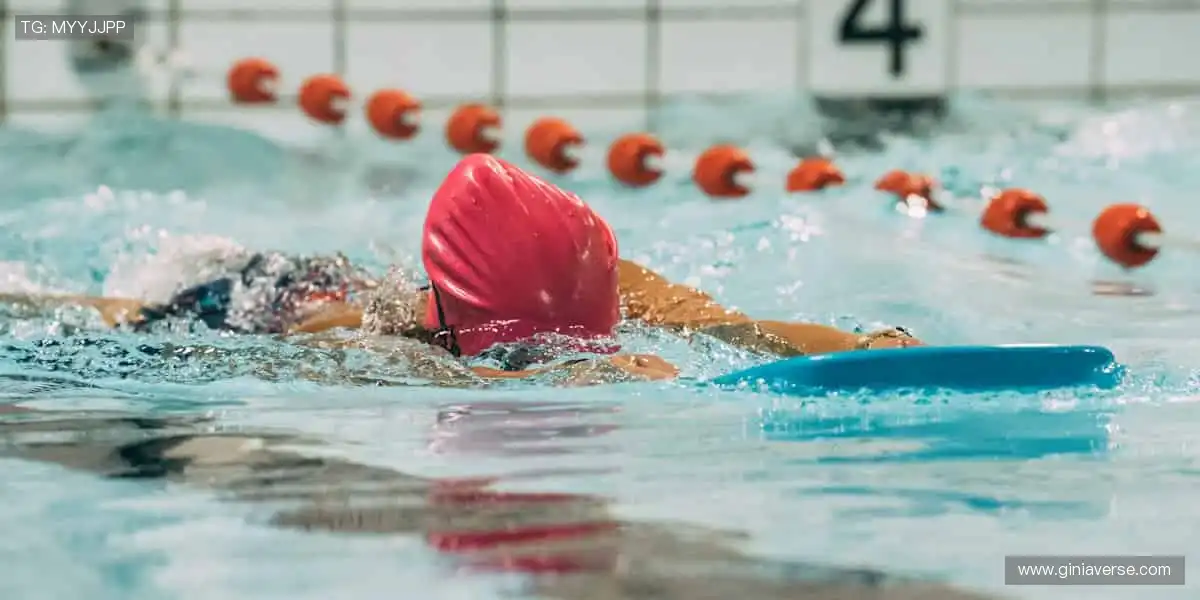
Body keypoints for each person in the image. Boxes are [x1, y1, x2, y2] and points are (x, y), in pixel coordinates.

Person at [0, 154, 921, 383]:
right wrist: (602, 377)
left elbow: (730, 325)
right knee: (102, 318)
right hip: (233, 297)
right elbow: (456, 379)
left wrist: (854, 346)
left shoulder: (604, 279)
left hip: (346, 278)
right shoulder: (363, 338)